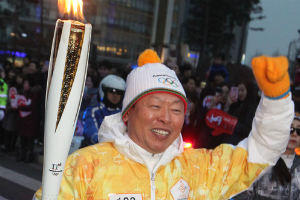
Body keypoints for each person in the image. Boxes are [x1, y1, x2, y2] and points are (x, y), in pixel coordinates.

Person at [35, 51, 293, 200]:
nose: (166, 118)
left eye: (176, 109)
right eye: (155, 106)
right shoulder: (85, 167)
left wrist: (276, 100)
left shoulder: (198, 169)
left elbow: (260, 154)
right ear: (128, 113)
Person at [233, 110, 300, 200]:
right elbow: (242, 192)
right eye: (291, 129)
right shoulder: (262, 158)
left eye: (299, 131)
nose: (295, 134)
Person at [81, 74, 126, 146]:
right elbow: (92, 133)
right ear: (104, 91)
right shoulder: (93, 111)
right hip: (94, 150)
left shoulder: (124, 114)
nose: (115, 95)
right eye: (112, 91)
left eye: (119, 93)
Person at [222, 79, 259, 145]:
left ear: (248, 91)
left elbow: (247, 128)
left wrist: (232, 123)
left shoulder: (252, 107)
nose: (239, 93)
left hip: (239, 143)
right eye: (238, 90)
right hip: (228, 141)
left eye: (242, 90)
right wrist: (228, 105)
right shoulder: (235, 104)